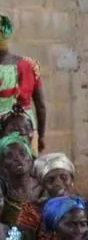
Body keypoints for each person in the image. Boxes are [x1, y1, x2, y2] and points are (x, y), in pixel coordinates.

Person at [0, 14, 46, 151]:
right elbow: (41, 107)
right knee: (26, 168)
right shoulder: (29, 66)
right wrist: (41, 136)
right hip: (25, 133)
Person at [0, 133, 41, 240]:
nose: (18, 159)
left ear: (30, 158)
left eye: (23, 154)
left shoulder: (44, 189)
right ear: (2, 165)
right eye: (10, 156)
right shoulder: (3, 194)